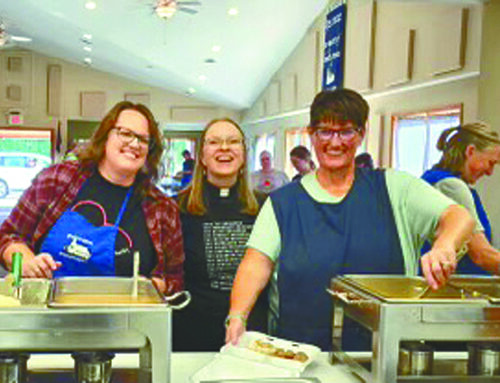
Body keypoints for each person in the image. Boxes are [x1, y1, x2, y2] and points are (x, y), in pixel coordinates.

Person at [225, 88, 474, 351]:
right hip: (298, 355)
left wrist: (445, 243)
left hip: (381, 352)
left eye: (346, 131)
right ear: (311, 134)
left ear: (361, 134)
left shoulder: (393, 187)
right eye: (325, 131)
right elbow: (256, 264)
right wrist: (238, 315)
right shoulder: (283, 203)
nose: (335, 142)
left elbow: (458, 216)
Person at [0, 101, 184, 295]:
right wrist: (26, 261)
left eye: (144, 139)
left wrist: (150, 288)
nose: (134, 144)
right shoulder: (57, 180)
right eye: (125, 133)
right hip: (46, 318)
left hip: (124, 323)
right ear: (105, 136)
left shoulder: (162, 208)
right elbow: (7, 236)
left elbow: (175, 280)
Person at [174, 118, 267, 351]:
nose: (224, 148)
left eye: (233, 141)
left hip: (251, 334)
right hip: (192, 333)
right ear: (202, 156)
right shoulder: (177, 207)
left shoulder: (267, 207)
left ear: (244, 154)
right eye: (214, 142)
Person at [421, 122, 500, 274]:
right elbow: (481, 255)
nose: (490, 172)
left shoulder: (432, 178)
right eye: (490, 163)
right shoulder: (451, 186)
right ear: (470, 151)